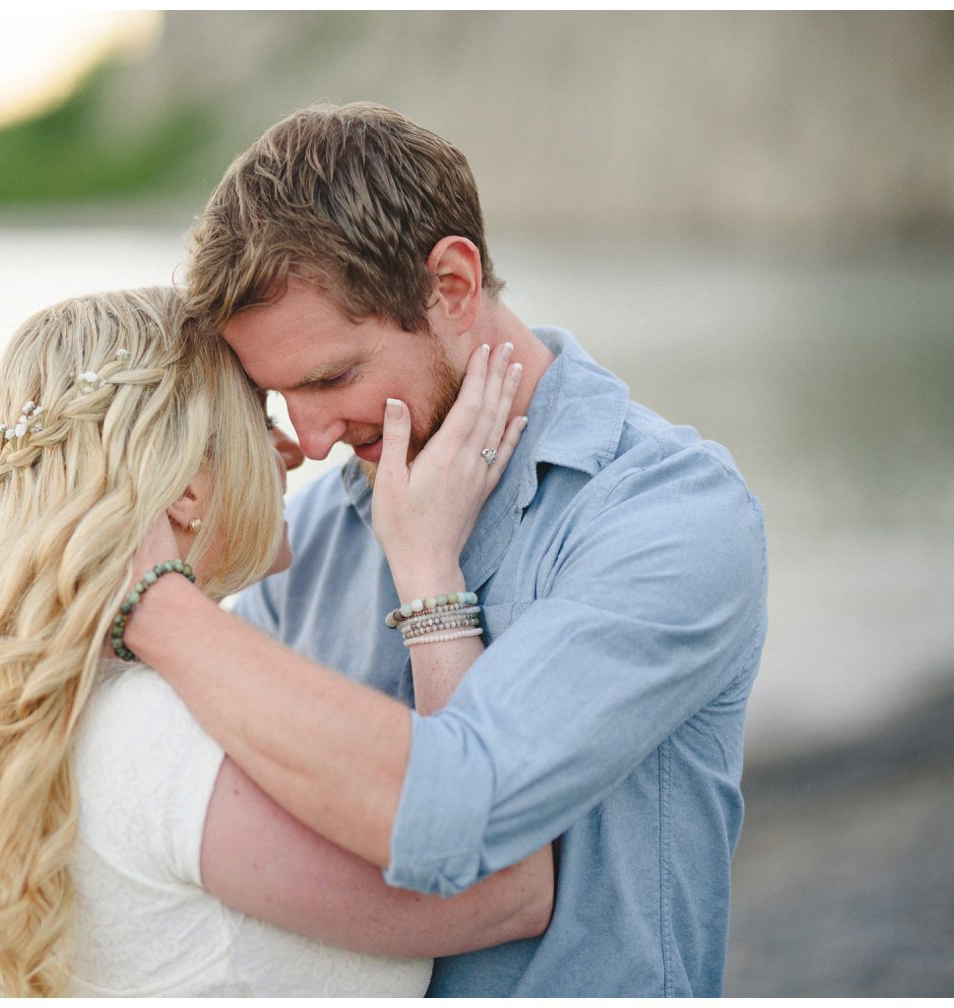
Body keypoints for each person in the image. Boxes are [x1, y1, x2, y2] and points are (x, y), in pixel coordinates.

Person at [122, 103, 769, 996]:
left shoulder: (669, 517)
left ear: (453, 288)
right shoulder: (311, 538)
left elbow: (466, 830)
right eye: (278, 398)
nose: (308, 443)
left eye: (331, 378)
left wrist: (149, 601)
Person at [0, 286, 551, 997]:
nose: (291, 449)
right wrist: (428, 569)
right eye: (256, 414)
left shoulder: (83, 703)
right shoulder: (152, 734)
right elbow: (507, 884)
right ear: (186, 485)